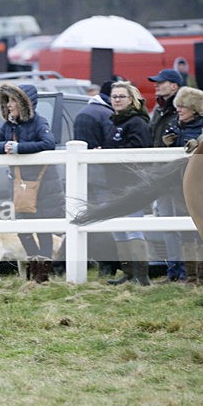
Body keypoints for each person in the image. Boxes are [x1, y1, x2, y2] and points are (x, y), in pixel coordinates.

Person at [0, 83, 63, 283]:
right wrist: (6, 147)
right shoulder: (9, 125)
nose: (8, 105)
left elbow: (49, 143)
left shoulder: (39, 122)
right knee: (23, 228)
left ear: (24, 103)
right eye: (7, 101)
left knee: (44, 230)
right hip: (21, 186)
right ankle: (35, 266)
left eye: (13, 100)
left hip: (44, 185)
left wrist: (20, 148)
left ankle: (41, 275)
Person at [101, 81, 152, 286]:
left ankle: (142, 276)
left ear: (131, 99)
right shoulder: (114, 122)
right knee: (118, 229)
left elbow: (139, 150)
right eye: (114, 97)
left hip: (133, 184)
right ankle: (128, 273)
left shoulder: (137, 122)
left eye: (122, 96)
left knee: (133, 228)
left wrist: (109, 153)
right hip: (114, 184)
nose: (117, 100)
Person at [160, 86, 203, 285]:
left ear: (195, 109)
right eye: (178, 105)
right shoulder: (175, 126)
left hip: (201, 186)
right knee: (185, 231)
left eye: (183, 106)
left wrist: (198, 143)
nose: (178, 109)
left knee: (202, 230)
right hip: (177, 185)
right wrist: (168, 144)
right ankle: (190, 276)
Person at [72, 80, 118, 277]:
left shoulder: (84, 111)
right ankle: (109, 265)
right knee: (105, 221)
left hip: (85, 176)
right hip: (102, 176)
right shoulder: (106, 114)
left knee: (87, 220)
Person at [147, 68, 186, 283]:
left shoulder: (182, 109)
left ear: (174, 86)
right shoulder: (160, 110)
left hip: (177, 177)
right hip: (160, 175)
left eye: (161, 82)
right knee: (167, 223)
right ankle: (173, 270)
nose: (156, 85)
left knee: (182, 224)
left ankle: (186, 271)